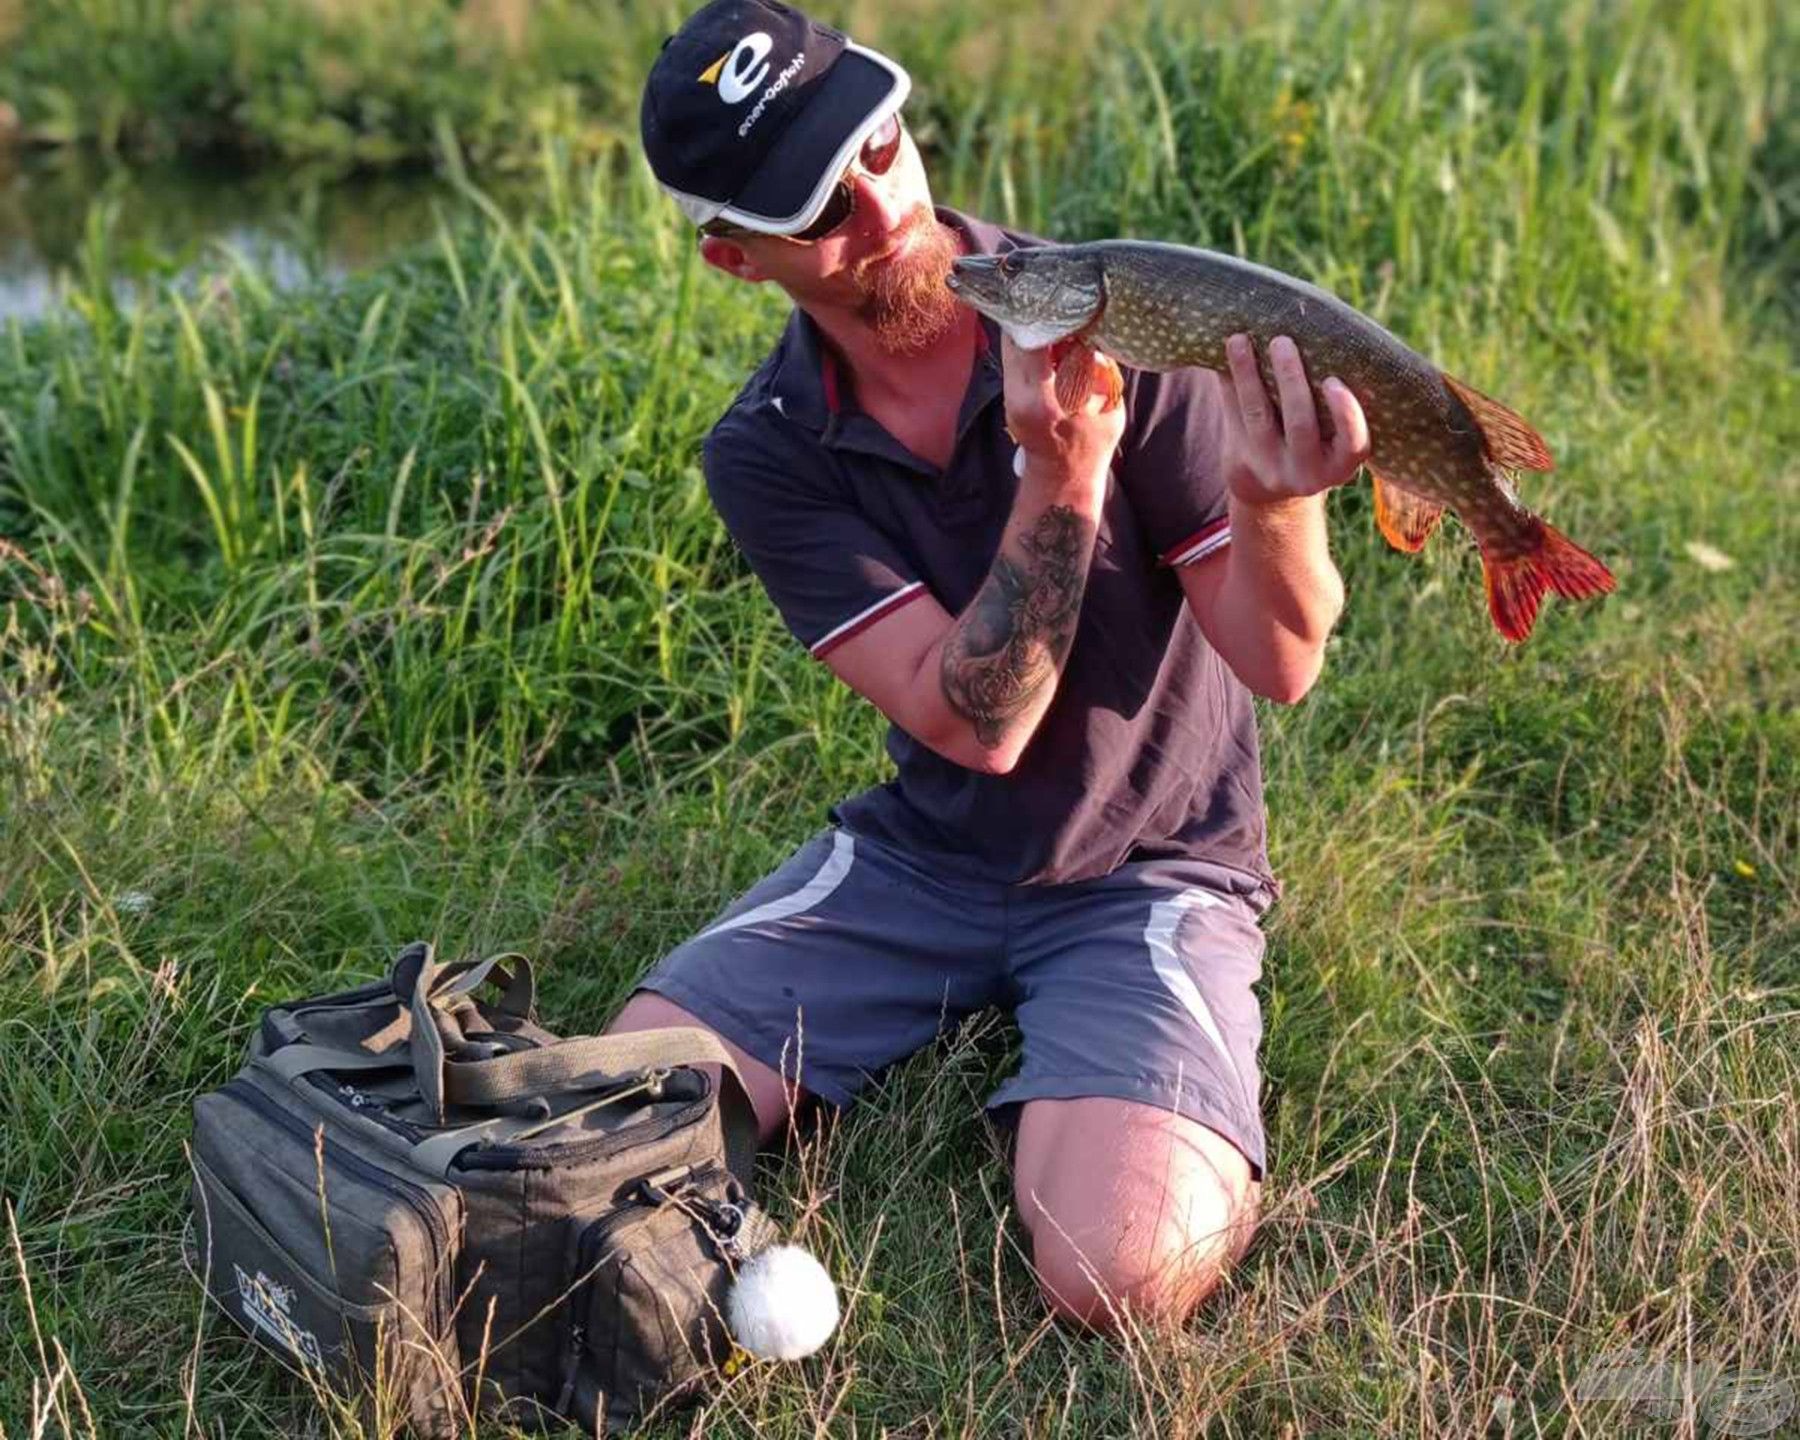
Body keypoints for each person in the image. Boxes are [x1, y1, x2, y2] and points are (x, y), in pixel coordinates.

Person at [613, 0, 1369, 1331]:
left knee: (1118, 1276)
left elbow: (1281, 657)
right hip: (925, 857)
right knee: (611, 1112)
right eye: (818, 201)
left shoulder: (1123, 312)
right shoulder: (770, 449)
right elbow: (976, 731)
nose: (882, 199)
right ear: (736, 259)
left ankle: (1142, 1093)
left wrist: (1275, 501)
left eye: (880, 139)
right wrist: (1066, 470)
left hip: (1153, 869)